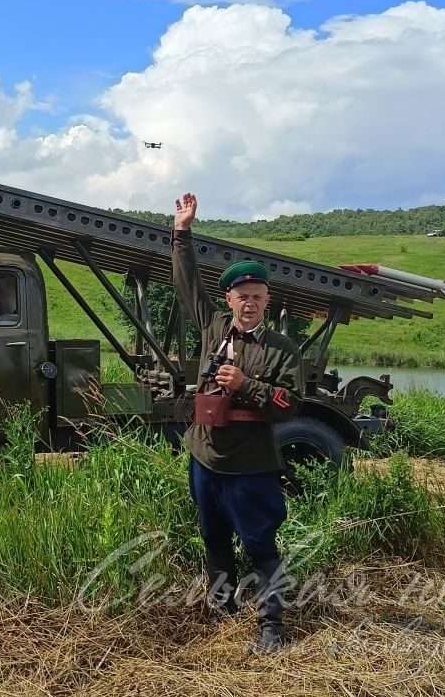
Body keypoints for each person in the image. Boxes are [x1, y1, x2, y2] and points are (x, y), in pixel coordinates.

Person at [171, 192, 304, 655]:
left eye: (257, 297)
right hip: (205, 457)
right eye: (242, 296)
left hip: (250, 464)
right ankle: (222, 610)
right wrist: (182, 232)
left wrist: (247, 384)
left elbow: (289, 406)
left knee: (260, 542)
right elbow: (187, 285)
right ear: (229, 299)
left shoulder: (282, 348)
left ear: (267, 301)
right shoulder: (212, 329)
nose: (249, 303)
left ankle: (271, 626)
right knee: (213, 538)